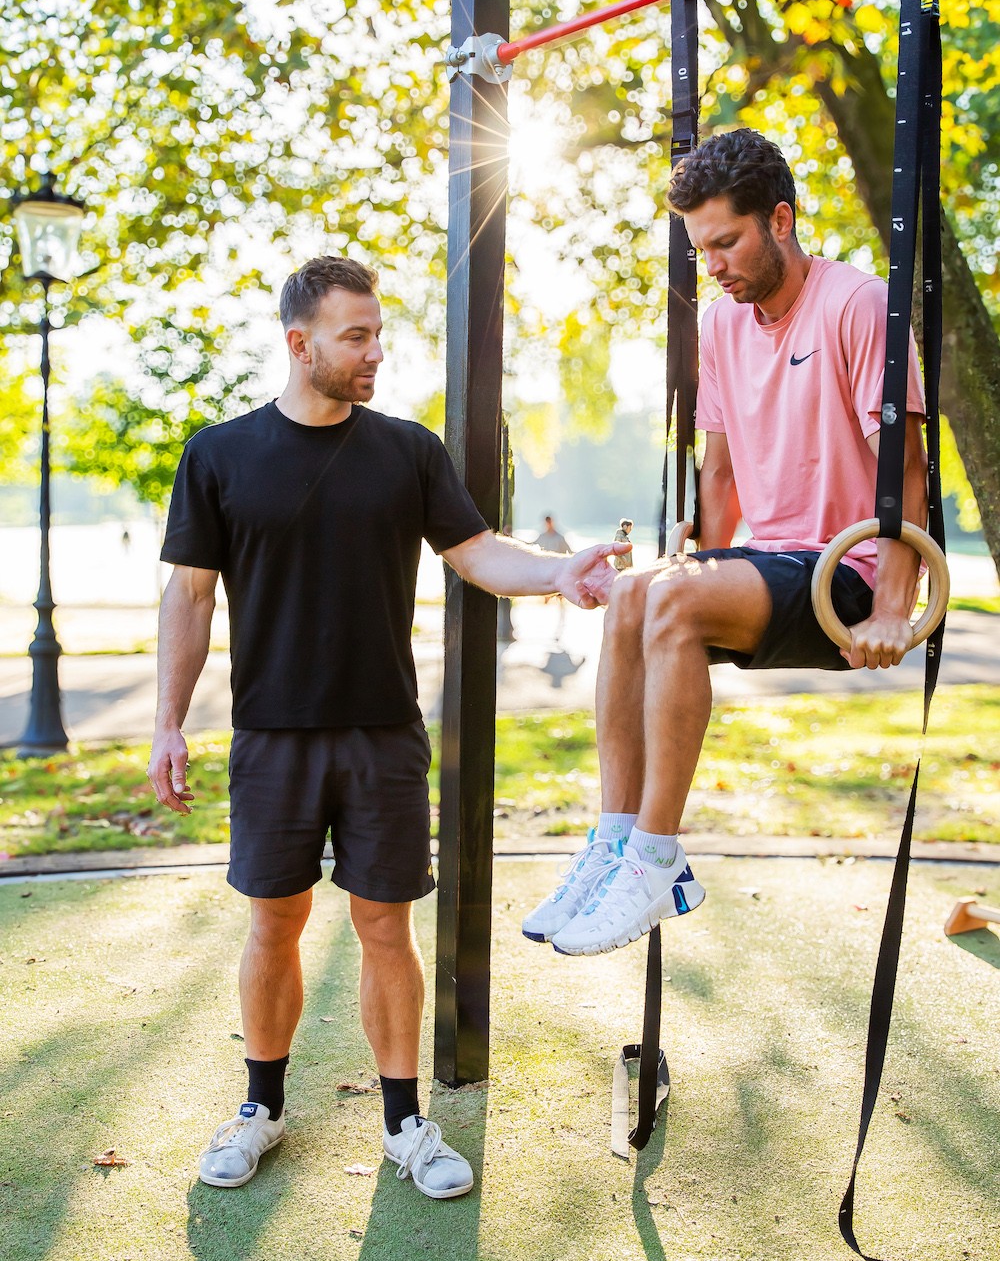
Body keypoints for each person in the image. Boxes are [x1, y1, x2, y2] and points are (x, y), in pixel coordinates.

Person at [147, 255, 627, 1197]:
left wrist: (557, 574)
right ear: (301, 343)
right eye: (356, 336)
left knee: (384, 924)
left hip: (384, 736)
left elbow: (476, 552)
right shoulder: (218, 454)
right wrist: (168, 722)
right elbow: (191, 596)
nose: (375, 353)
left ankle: (406, 1124)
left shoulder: (408, 451)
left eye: (378, 334)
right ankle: (261, 1108)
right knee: (273, 921)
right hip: (271, 737)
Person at [523, 128, 927, 956]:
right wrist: (694, 557)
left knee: (669, 600)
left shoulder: (856, 304)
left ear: (780, 220)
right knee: (634, 595)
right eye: (700, 248)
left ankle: (657, 859)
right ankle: (614, 841)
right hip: (771, 562)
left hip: (844, 570)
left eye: (725, 243)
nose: (711, 265)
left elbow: (907, 470)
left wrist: (893, 606)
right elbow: (722, 475)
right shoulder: (723, 326)